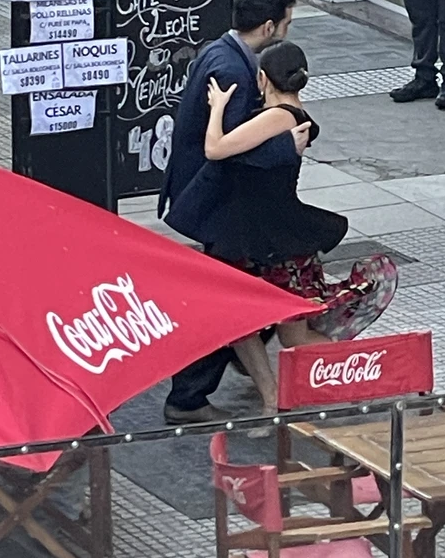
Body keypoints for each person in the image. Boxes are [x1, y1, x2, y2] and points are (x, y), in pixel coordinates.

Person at [167, 41, 398, 365]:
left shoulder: (278, 117)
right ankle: (282, 387)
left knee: (294, 336)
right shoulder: (289, 116)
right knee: (271, 327)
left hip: (276, 235)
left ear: (263, 79)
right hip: (270, 232)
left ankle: (374, 366)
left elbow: (215, 148)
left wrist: (218, 105)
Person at [158, 0, 297, 424]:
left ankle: (238, 357)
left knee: (238, 292)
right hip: (217, 200)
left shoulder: (219, 51)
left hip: (208, 194)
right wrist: (286, 145)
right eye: (287, 24)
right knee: (228, 300)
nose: (288, 32)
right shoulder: (234, 70)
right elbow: (234, 149)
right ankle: (189, 395)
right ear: (270, 25)